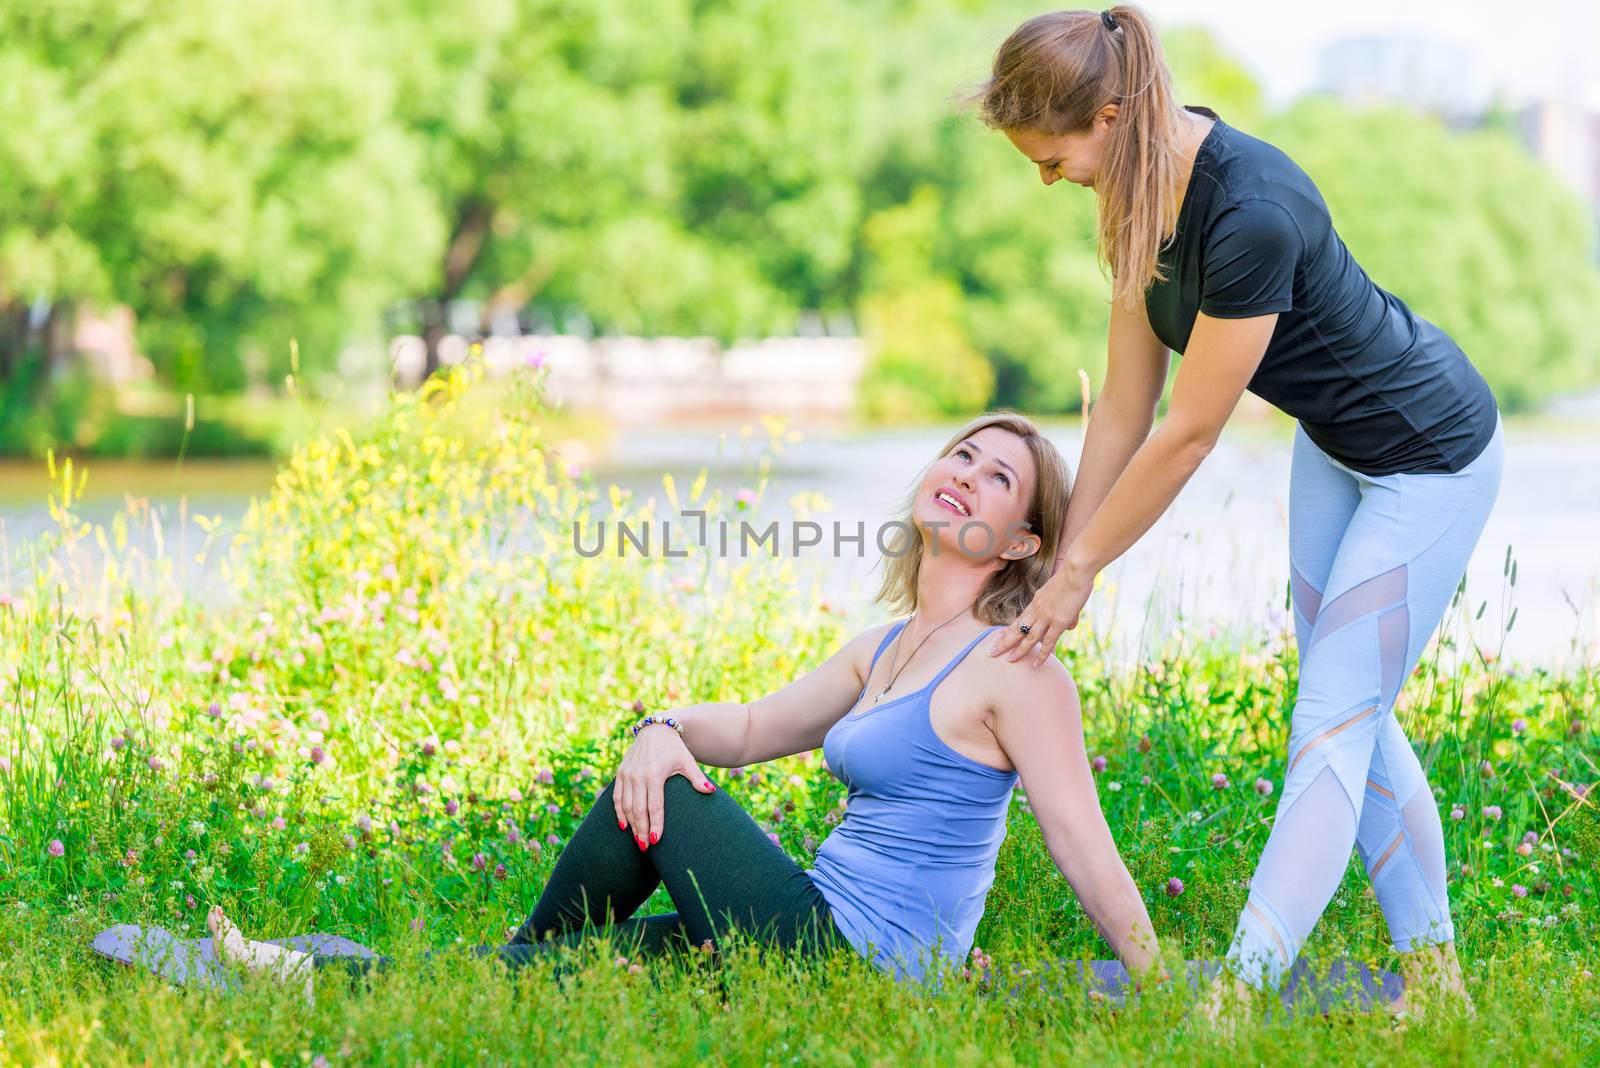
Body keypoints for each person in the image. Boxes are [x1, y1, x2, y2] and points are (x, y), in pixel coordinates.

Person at [207, 412, 1166, 993]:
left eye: (1000, 478)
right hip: (810, 925)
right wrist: (659, 729)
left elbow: (1080, 838)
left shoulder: (1015, 667)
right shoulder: (882, 649)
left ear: (1022, 545)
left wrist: (1156, 982)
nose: (965, 476)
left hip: (854, 961)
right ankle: (357, 976)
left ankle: (352, 973)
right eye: (962, 455)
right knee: (575, 969)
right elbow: (749, 731)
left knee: (661, 804)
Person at [970, 5, 1502, 1019]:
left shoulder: (1245, 210)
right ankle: (1439, 989)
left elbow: (1187, 432)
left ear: (1115, 115)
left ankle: (1234, 1004)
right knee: (1350, 708)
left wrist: (1081, 573)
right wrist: (1059, 558)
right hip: (1338, 444)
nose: (1045, 179)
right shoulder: (1132, 190)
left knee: (1331, 720)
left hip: (1429, 455)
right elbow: (1124, 407)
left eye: (1051, 158)